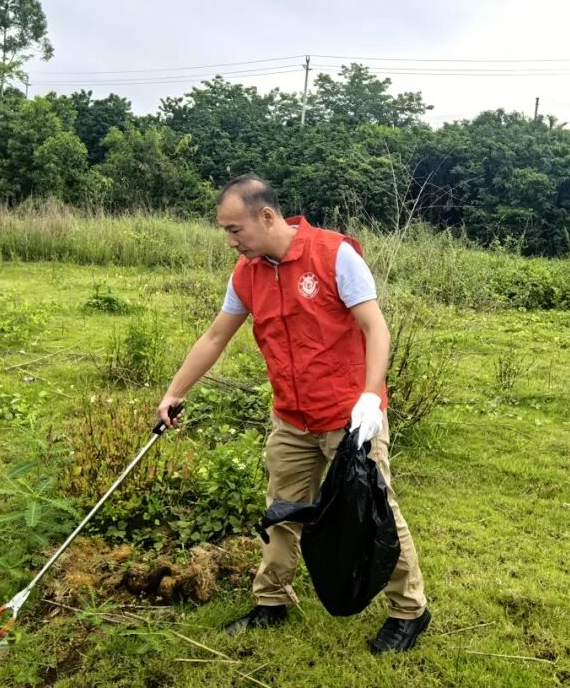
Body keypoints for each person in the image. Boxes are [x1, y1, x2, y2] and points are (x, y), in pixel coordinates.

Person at [156, 175, 430, 654]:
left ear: (266, 216)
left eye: (235, 229)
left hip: (351, 419)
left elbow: (375, 328)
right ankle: (271, 602)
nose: (230, 241)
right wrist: (174, 392)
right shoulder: (247, 273)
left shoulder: (334, 255)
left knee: (374, 515)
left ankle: (410, 610)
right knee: (281, 511)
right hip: (291, 418)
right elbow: (215, 337)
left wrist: (369, 397)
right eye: (225, 230)